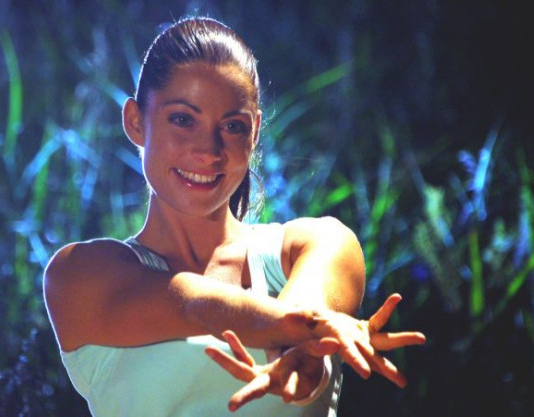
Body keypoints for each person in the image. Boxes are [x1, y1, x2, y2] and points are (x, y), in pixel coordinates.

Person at [43, 16, 426, 416]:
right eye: (183, 119)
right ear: (136, 122)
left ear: (255, 131)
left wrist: (303, 357)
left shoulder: (322, 244)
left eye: (232, 126)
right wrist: (307, 328)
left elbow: (299, 329)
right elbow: (192, 305)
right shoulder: (79, 276)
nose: (208, 150)